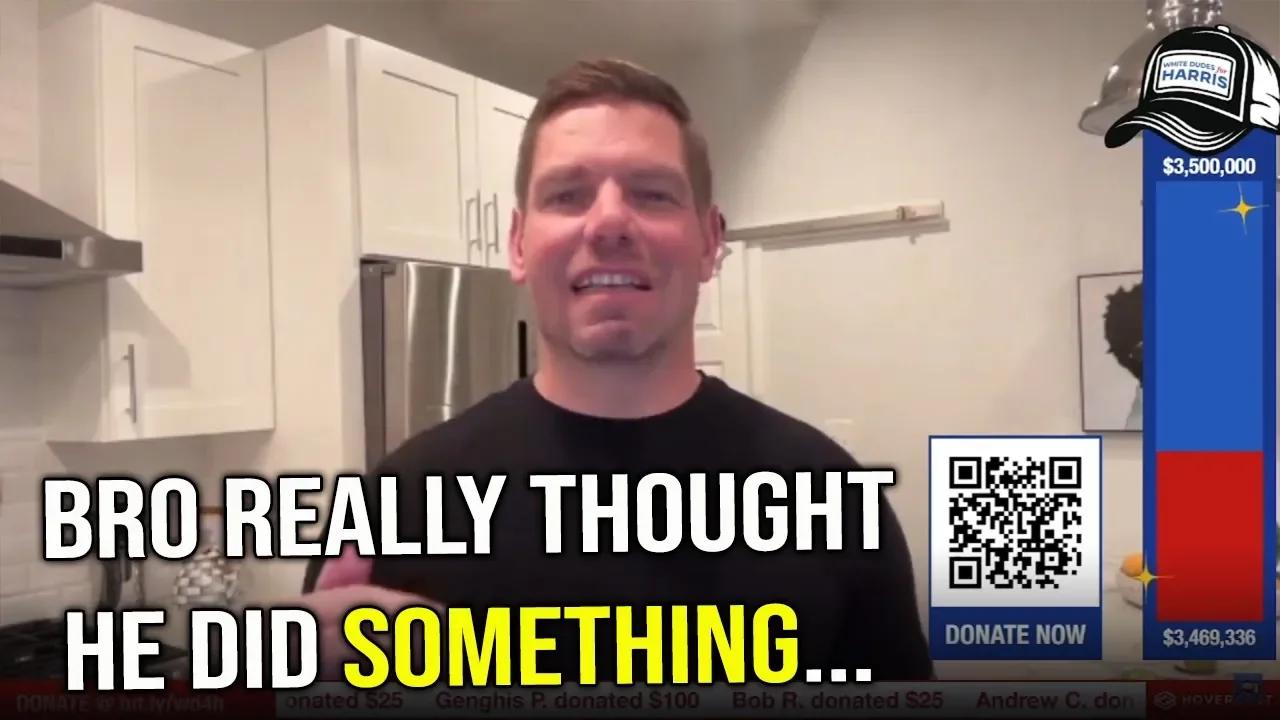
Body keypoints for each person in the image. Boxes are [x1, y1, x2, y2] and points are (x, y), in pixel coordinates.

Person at [298, 57, 933, 683]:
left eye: (652, 194)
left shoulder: (828, 496)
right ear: (518, 244)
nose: (607, 223)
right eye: (567, 195)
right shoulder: (398, 505)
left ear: (710, 241)